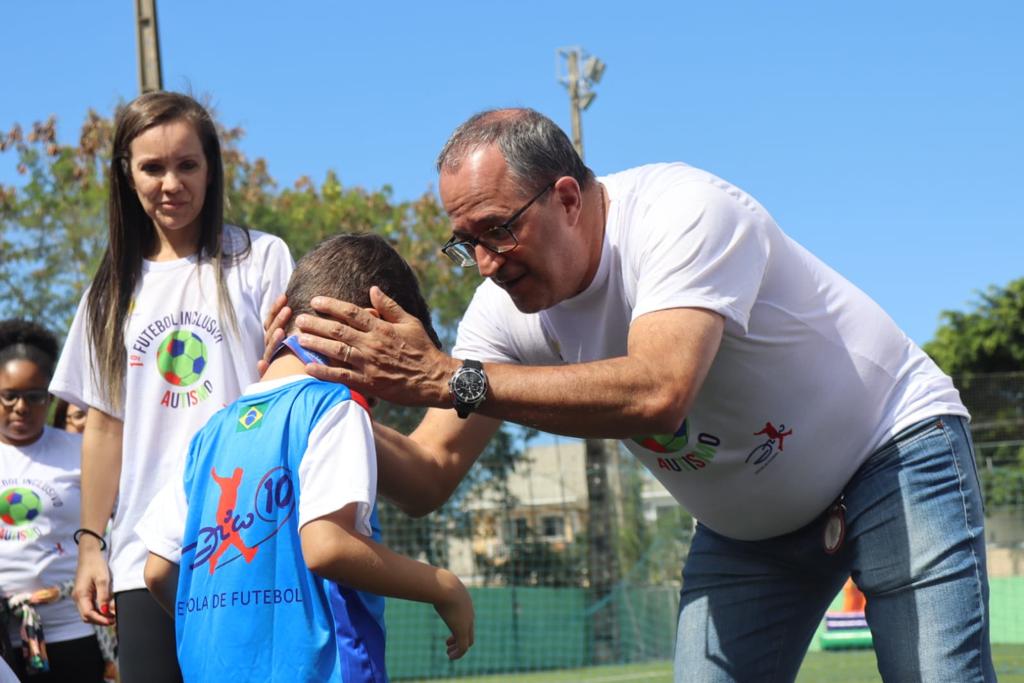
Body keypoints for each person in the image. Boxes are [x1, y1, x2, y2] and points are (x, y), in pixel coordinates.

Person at [268, 108, 994, 682]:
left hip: (889, 452)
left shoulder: (683, 212)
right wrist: (309, 388)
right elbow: (427, 475)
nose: (485, 264)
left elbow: (660, 390)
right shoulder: (505, 312)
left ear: (567, 198)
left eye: (498, 230)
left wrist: (447, 376)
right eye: (466, 242)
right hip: (750, 535)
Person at [137, 234, 474, 681]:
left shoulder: (210, 431)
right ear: (370, 324)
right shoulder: (332, 406)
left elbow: (159, 571)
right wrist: (443, 586)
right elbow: (327, 546)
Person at [49, 91, 294, 682]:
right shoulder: (109, 292)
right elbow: (105, 428)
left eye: (187, 164)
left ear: (210, 168)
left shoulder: (260, 259)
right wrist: (90, 548)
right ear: (126, 174)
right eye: (152, 167)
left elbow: (293, 391)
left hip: (251, 542)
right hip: (142, 557)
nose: (171, 183)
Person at [0, 320, 106, 681]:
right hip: (4, 638)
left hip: (73, 630)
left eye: (34, 396)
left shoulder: (81, 452)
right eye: (9, 395)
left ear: (50, 396)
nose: (20, 407)